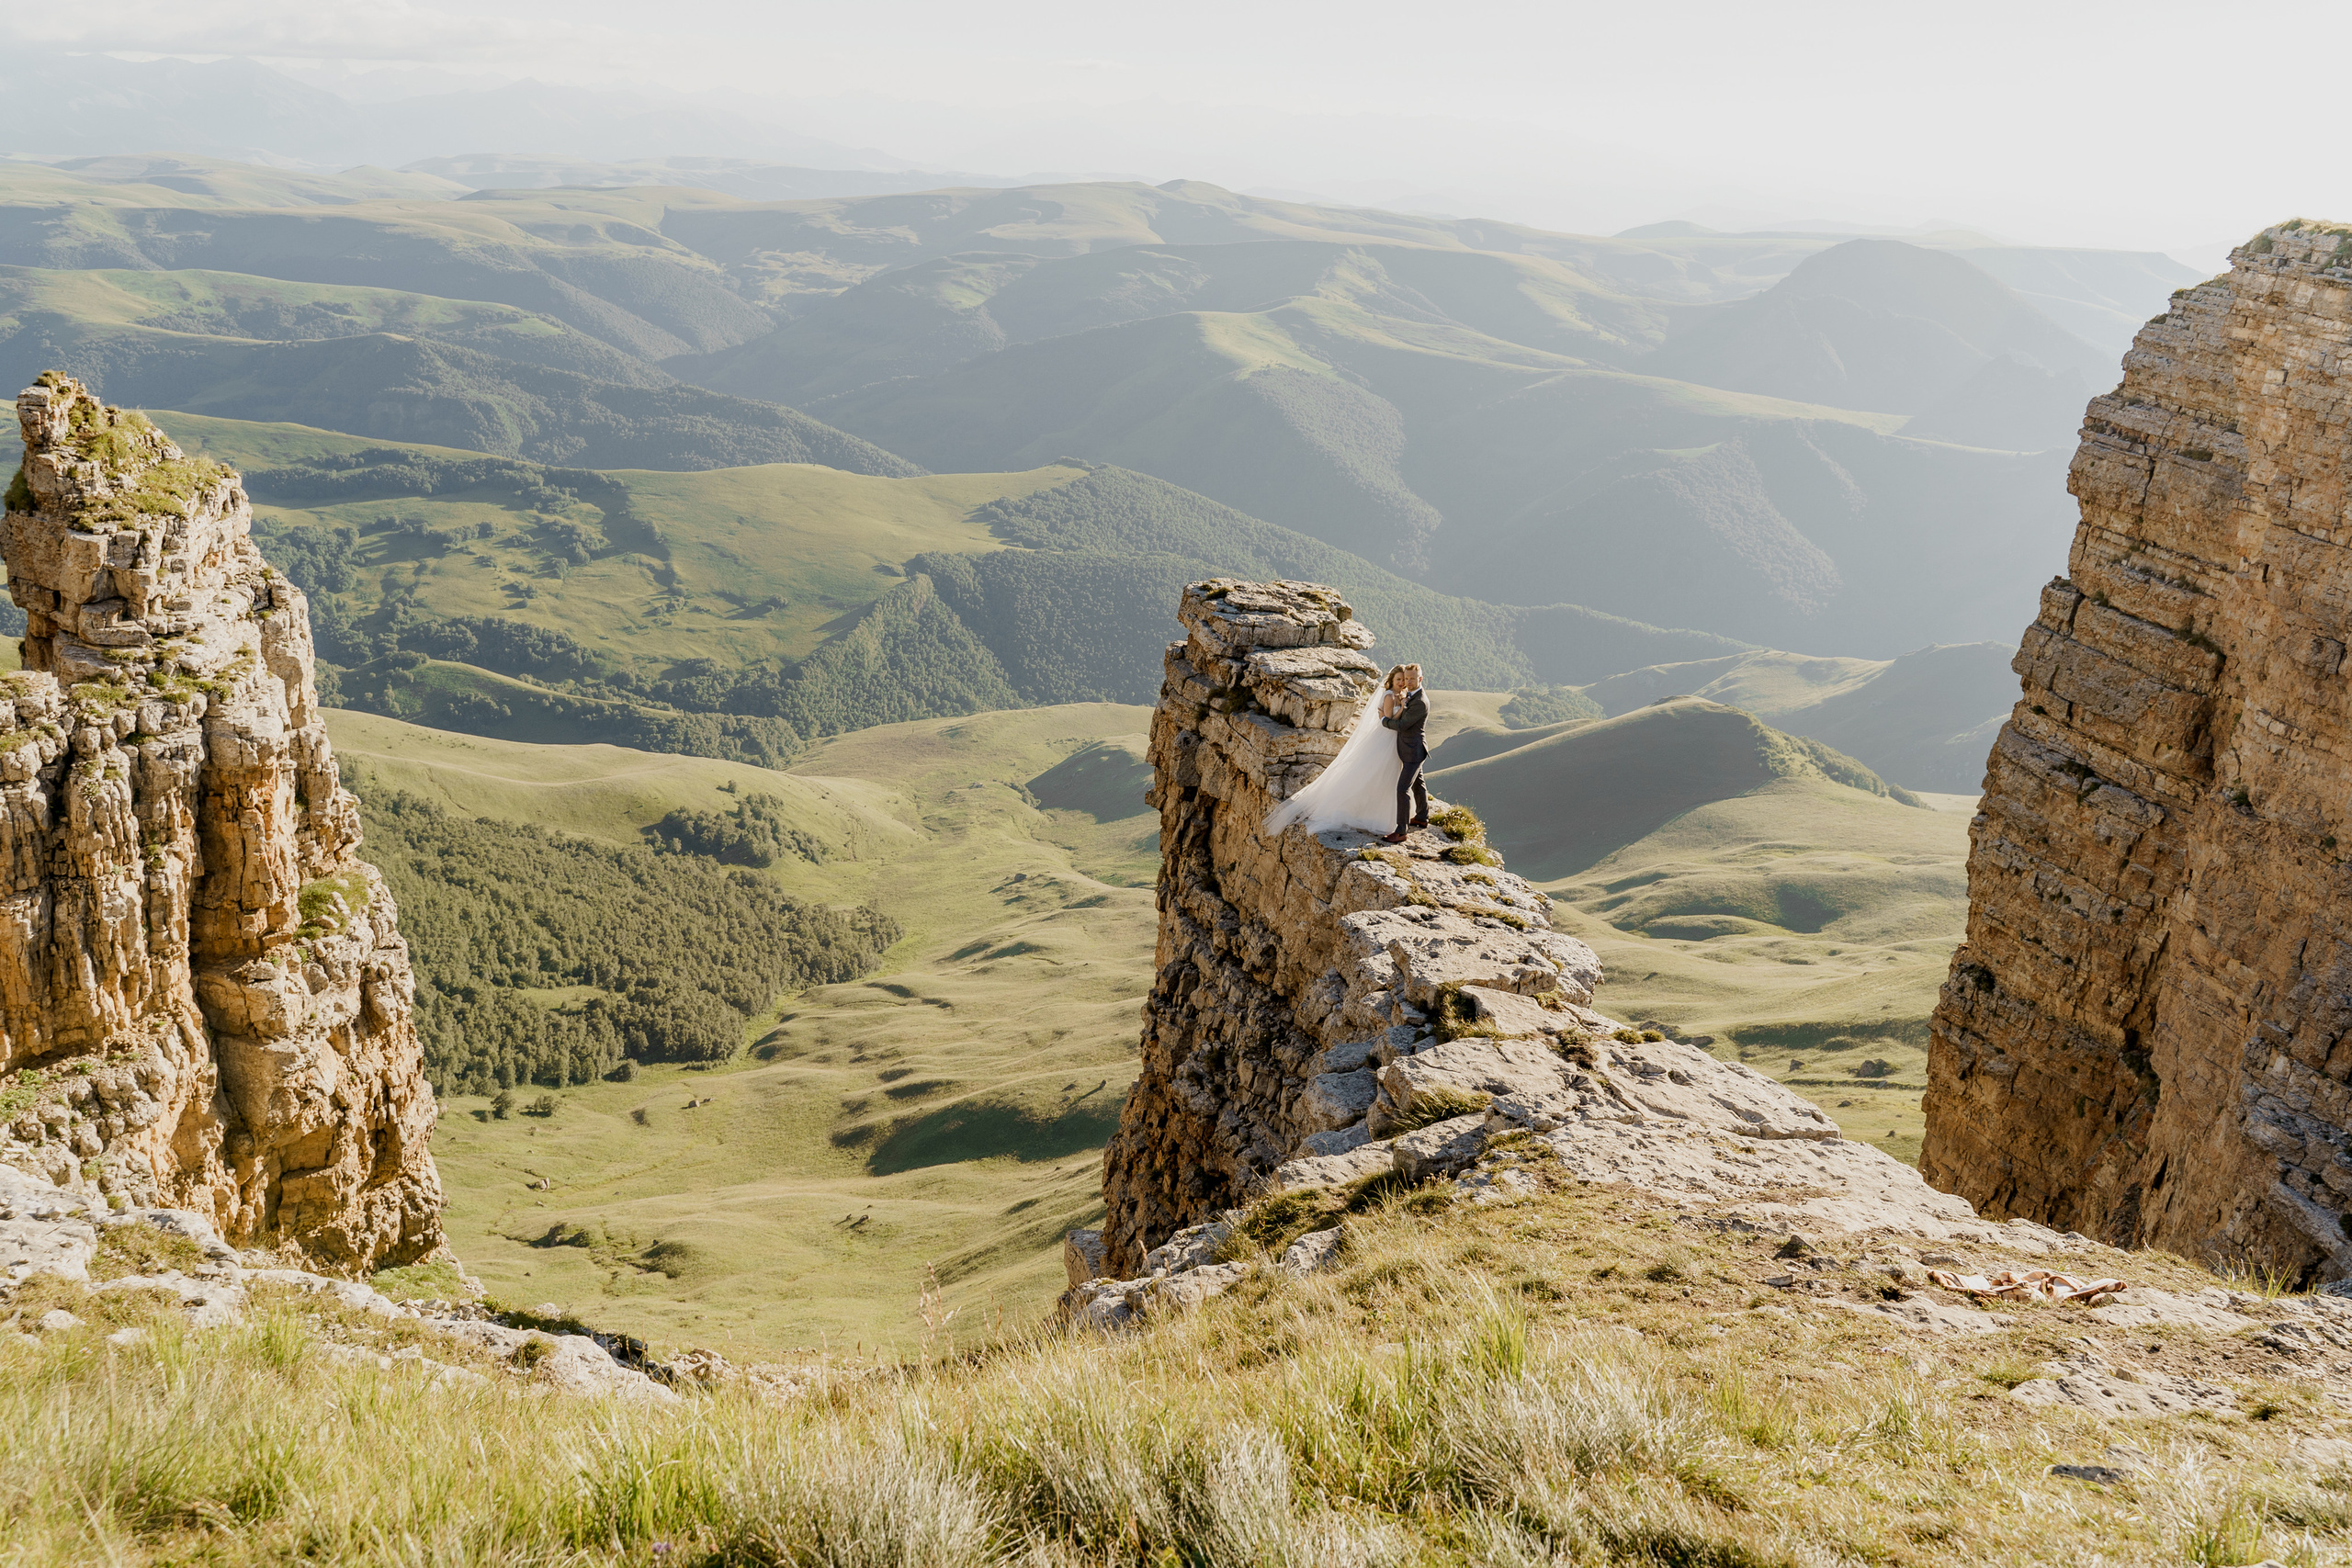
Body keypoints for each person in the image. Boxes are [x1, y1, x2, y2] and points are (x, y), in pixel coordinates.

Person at [1261, 662, 1422, 839]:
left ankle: (1393, 814)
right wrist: (1402, 708)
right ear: (1391, 680)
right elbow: (1389, 720)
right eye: (1399, 679)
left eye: (1404, 679)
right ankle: (1374, 813)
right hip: (1387, 738)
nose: (1402, 682)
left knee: (1391, 775)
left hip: (1396, 740)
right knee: (1380, 773)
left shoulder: (1402, 694)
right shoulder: (1390, 696)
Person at [1379, 663, 1429, 843]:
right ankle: (1422, 817)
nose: (1408, 682)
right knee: (1418, 783)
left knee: (1402, 789)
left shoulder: (1420, 702)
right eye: (1406, 678)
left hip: (1414, 751)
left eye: (1412, 679)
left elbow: (1402, 725)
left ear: (1420, 679)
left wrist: (1384, 720)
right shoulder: (1411, 695)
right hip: (1411, 748)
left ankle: (1401, 832)